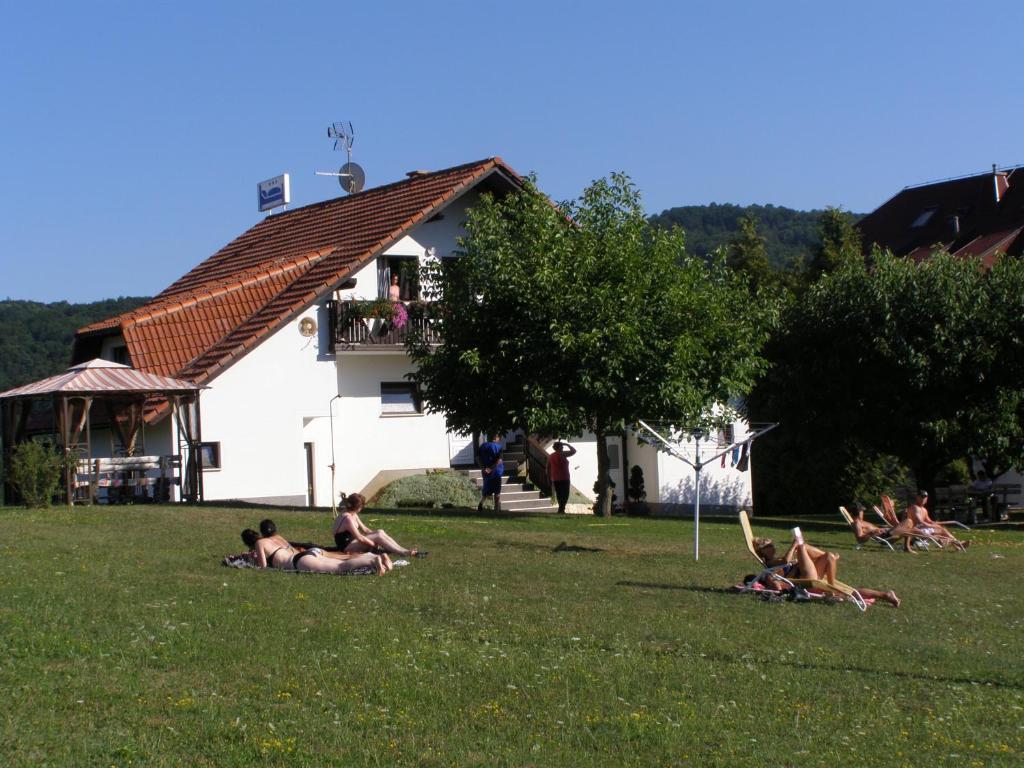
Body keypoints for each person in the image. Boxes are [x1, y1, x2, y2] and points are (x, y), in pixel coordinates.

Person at [753, 533, 901, 607]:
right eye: (767, 547)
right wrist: (794, 546)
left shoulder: (775, 562)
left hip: (806, 574)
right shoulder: (770, 566)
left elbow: (786, 564)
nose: (772, 547)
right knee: (802, 547)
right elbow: (779, 582)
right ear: (762, 553)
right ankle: (830, 586)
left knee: (828, 557)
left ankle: (885, 595)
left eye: (771, 544)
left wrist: (795, 562)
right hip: (806, 579)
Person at [243, 522, 389, 574]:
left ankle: (373, 561)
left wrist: (252, 562)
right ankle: (376, 557)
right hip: (306, 554)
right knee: (341, 562)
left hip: (298, 561)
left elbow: (263, 566)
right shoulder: (272, 539)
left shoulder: (259, 544)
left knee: (340, 568)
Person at [331, 493, 422, 556]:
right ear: (358, 507)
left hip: (352, 542)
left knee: (380, 532)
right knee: (378, 536)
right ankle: (403, 553)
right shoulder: (347, 519)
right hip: (346, 547)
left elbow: (365, 529)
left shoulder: (353, 514)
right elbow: (360, 537)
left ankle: (403, 549)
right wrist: (373, 543)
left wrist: (375, 535)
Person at [895, 491, 969, 551]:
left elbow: (930, 522)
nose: (923, 499)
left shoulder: (924, 510)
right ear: (917, 497)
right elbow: (920, 522)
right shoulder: (915, 508)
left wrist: (938, 524)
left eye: (925, 497)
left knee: (942, 529)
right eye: (921, 497)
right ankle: (958, 544)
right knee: (941, 530)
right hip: (916, 529)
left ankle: (957, 544)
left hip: (922, 529)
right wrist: (936, 526)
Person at [546, 440, 577, 514]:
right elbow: (574, 451)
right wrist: (567, 444)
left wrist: (548, 477)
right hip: (564, 477)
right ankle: (561, 509)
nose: (563, 447)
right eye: (562, 446)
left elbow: (547, 468)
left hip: (555, 478)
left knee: (559, 494)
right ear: (559, 447)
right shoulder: (563, 454)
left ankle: (561, 509)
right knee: (565, 494)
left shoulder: (551, 456)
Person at [477, 434, 504, 512]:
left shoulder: (482, 446)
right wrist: (491, 468)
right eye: (499, 438)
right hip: (496, 472)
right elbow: (499, 460)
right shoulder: (499, 447)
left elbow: (477, 458)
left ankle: (481, 503)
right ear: (497, 438)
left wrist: (483, 468)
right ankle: (496, 509)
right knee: (497, 491)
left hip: (485, 472)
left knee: (486, 488)